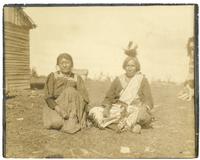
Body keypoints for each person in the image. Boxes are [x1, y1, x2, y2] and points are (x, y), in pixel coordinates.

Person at [89, 42, 154, 133]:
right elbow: (109, 97)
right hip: (119, 109)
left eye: (132, 66)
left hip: (135, 109)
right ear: (124, 66)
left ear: (136, 67)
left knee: (142, 115)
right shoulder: (118, 80)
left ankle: (123, 124)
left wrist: (143, 108)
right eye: (128, 65)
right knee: (94, 111)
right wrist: (107, 108)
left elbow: (148, 100)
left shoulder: (142, 80)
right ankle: (128, 125)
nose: (130, 68)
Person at [43, 53, 89, 134]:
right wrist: (60, 110)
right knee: (55, 123)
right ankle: (66, 121)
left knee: (70, 90)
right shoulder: (53, 76)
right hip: (56, 106)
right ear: (58, 65)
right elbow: (48, 97)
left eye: (67, 63)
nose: (65, 65)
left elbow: (84, 98)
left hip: (72, 108)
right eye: (62, 63)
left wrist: (84, 117)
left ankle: (73, 119)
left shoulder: (77, 78)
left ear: (72, 65)